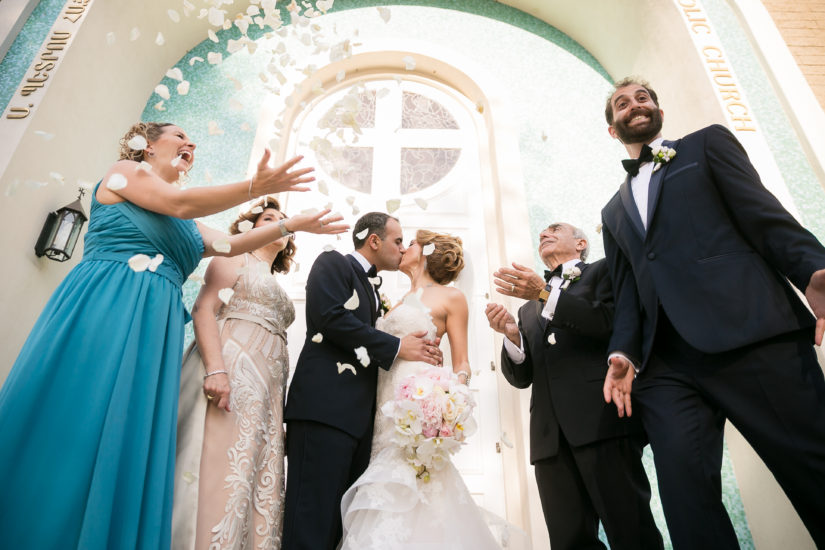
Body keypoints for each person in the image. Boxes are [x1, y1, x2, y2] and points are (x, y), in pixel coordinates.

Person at [0, 121, 344, 550]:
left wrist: (291, 225)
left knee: (128, 427)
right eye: (180, 136)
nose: (190, 144)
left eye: (192, 142)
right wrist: (256, 185)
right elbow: (180, 203)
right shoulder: (123, 173)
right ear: (147, 146)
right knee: (79, 409)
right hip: (108, 301)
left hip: (154, 322)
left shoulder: (187, 224)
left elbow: (230, 246)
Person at [600, 77, 825, 548]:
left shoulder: (706, 145)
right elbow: (626, 294)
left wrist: (812, 270)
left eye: (644, 96)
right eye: (623, 103)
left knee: (813, 466)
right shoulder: (612, 211)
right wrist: (622, 352)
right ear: (612, 129)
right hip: (665, 367)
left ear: (658, 110)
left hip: (749, 331)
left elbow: (763, 214)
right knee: (686, 503)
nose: (635, 105)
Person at [172, 196, 347, 549]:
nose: (277, 222)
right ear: (249, 228)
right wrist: (216, 370)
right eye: (269, 216)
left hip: (267, 389)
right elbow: (204, 309)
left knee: (250, 472)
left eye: (283, 220)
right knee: (218, 463)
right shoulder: (235, 256)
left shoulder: (274, 281)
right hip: (232, 370)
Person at [486, 222, 662, 550]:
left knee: (631, 530)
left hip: (602, 422)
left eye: (554, 229)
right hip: (550, 438)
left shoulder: (605, 272)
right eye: (541, 232)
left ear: (581, 243)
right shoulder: (527, 308)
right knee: (569, 541)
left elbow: (609, 324)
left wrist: (545, 293)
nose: (543, 233)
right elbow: (522, 378)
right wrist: (513, 337)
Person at [340, 230, 520, 549]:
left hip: (420, 403)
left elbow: (462, 362)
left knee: (419, 481)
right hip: (385, 406)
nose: (402, 248)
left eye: (408, 243)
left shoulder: (450, 297)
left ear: (426, 250)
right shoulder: (393, 305)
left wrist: (448, 405)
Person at [282, 213, 442, 550]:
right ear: (374, 241)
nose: (402, 248)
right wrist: (398, 346)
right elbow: (329, 317)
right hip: (324, 410)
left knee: (337, 528)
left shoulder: (373, 289)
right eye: (398, 241)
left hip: (358, 423)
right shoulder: (333, 263)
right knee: (310, 518)